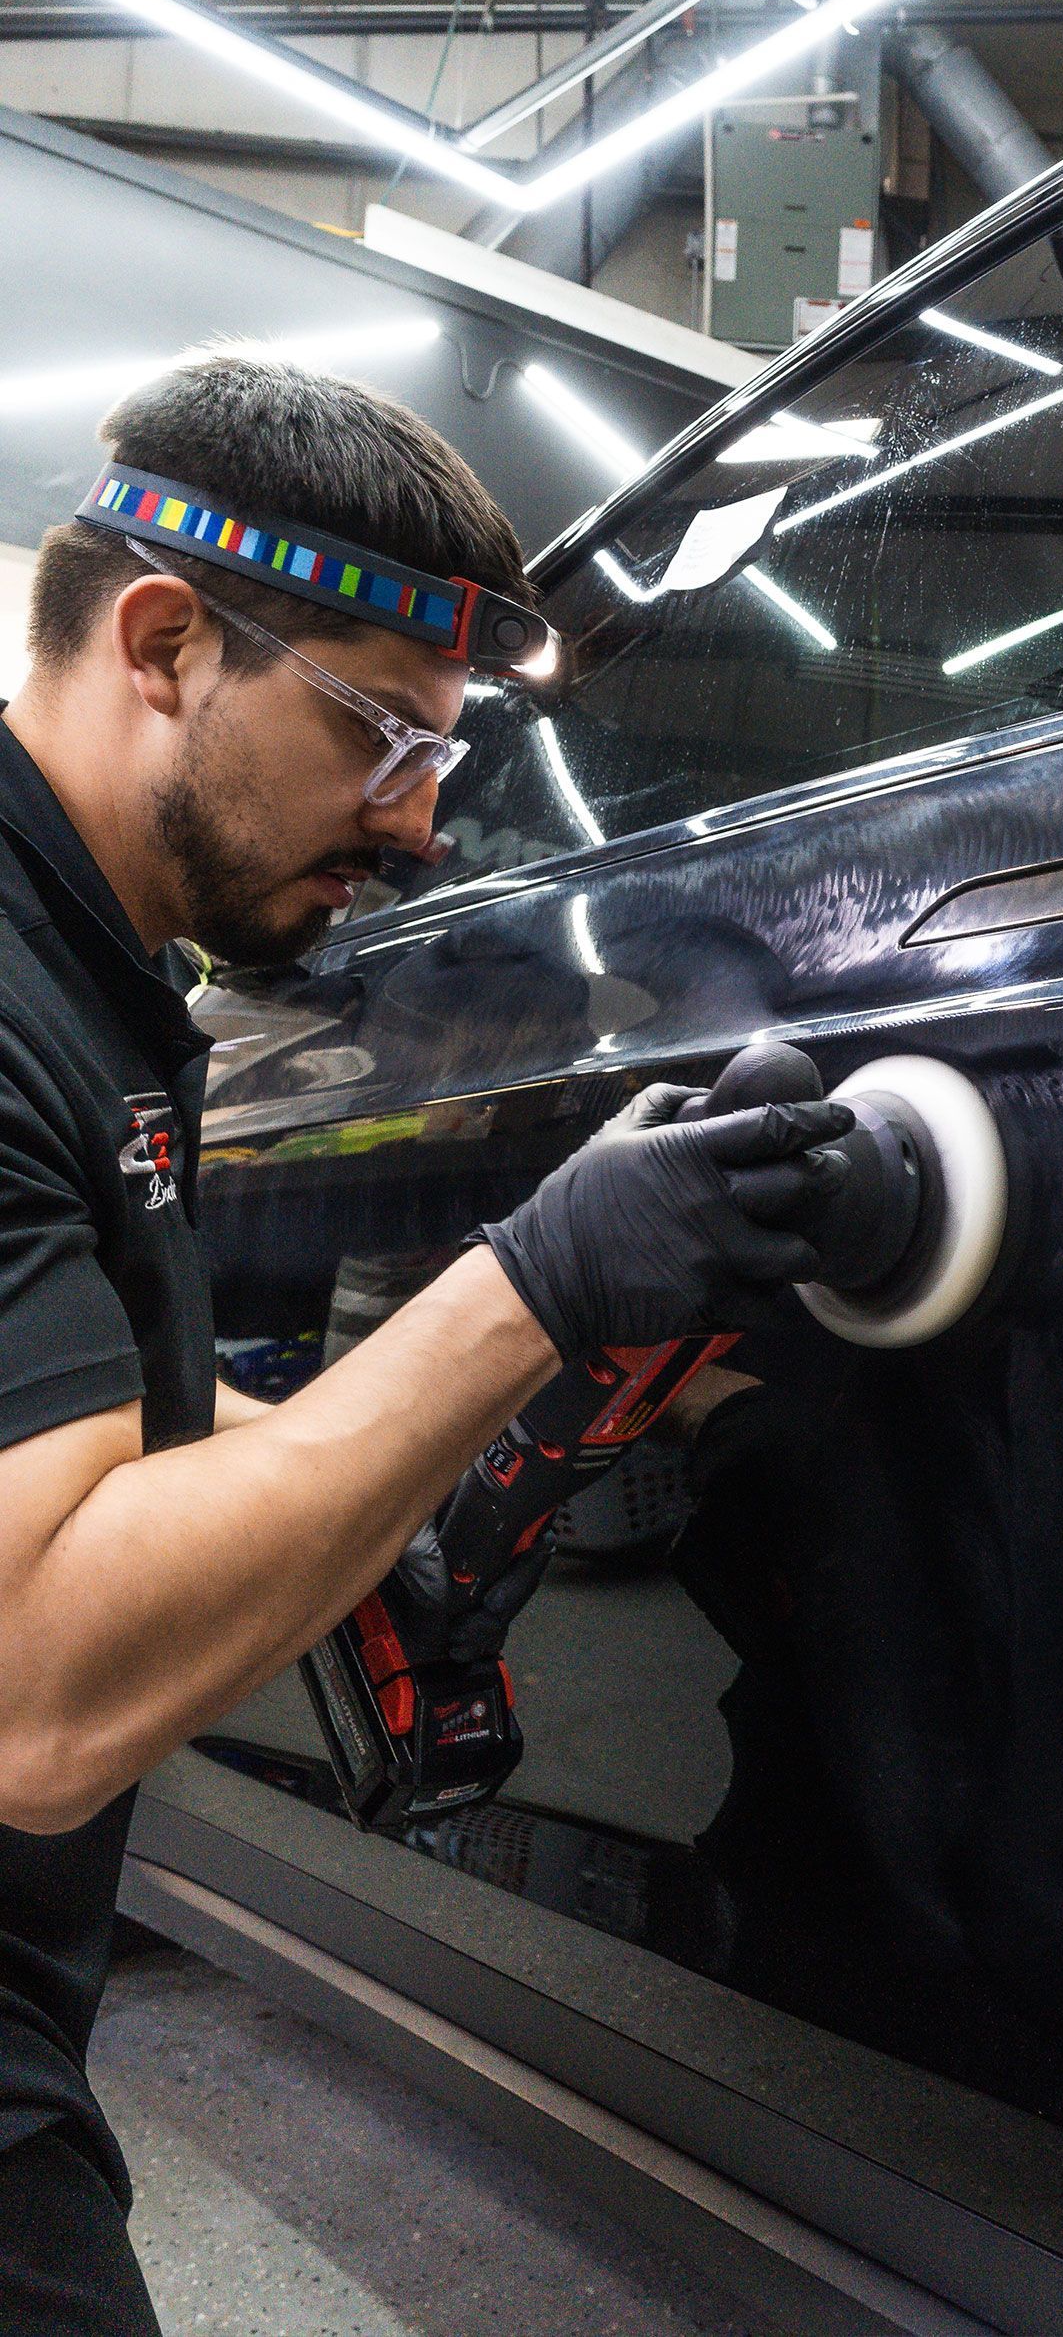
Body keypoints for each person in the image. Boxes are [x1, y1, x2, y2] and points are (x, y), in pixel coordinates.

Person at [0, 350, 849, 2333]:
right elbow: (33, 1694)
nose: (422, 828)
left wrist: (369, 1501)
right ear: (165, 642)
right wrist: (528, 1285)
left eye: (445, 762)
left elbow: (79, 1380)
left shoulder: (89, 960)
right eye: (387, 733)